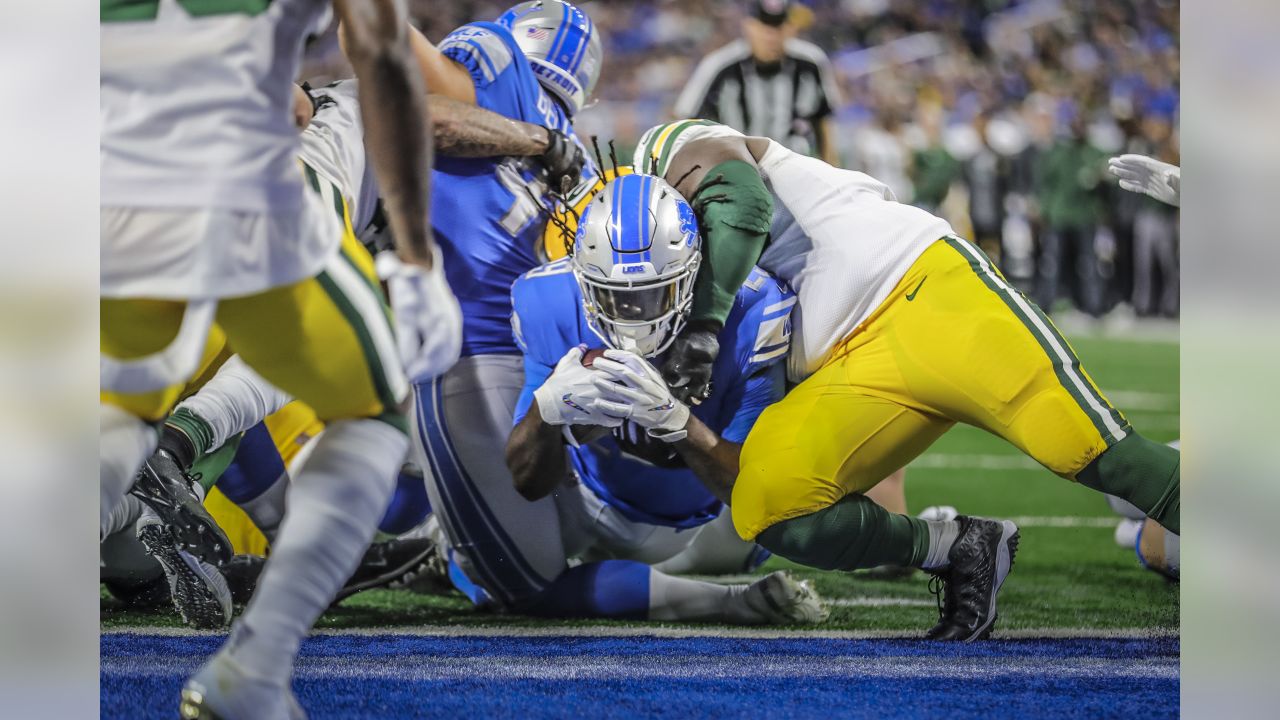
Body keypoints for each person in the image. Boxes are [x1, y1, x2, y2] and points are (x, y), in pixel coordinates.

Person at [620, 118, 1179, 641]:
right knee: (769, 501)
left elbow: (741, 199)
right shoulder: (659, 288)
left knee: (1094, 453)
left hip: (925, 291)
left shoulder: (671, 153)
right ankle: (960, 547)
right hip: (851, 364)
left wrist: (704, 326)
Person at [122, 68, 590, 629]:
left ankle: (187, 489)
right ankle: (177, 455)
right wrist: (542, 141)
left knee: (222, 375)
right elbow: (421, 114)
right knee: (325, 342)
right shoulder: (345, 103)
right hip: (288, 184)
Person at [101, 1, 463, 716]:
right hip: (245, 190)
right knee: (371, 411)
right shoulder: (339, 116)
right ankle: (256, 669)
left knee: (116, 414)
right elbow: (392, 70)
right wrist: (417, 257)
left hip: (113, 189)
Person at [499, 173, 825, 623]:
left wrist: (676, 422)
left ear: (694, 274)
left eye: (657, 293)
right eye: (614, 297)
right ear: (584, 280)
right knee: (494, 570)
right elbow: (527, 482)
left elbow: (754, 491)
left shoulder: (752, 310)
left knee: (784, 524)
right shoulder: (551, 300)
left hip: (702, 519)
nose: (635, 316)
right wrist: (546, 411)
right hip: (585, 501)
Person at [405, 0, 614, 625]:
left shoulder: (547, 116)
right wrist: (540, 139)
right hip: (475, 349)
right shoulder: (538, 109)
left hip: (501, 353)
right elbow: (418, 110)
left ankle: (435, 541)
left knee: (543, 564)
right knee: (528, 575)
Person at [674, 0, 841, 165]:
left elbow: (824, 123)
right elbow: (686, 121)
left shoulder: (810, 63)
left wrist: (833, 171)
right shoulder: (720, 66)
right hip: (737, 170)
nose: (772, 36)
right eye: (765, 27)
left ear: (791, 28)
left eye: (778, 27)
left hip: (794, 166)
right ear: (749, 26)